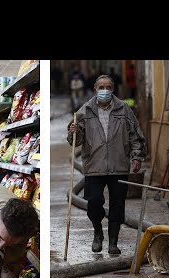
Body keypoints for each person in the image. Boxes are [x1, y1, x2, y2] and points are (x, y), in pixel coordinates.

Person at [67, 74, 147, 255]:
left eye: (108, 87)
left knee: (117, 206)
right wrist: (74, 132)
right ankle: (97, 232)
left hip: (118, 165)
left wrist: (137, 157)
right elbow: (74, 142)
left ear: (113, 89)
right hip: (94, 166)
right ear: (95, 89)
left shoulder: (124, 109)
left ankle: (113, 242)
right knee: (94, 203)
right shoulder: (84, 111)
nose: (105, 91)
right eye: (101, 87)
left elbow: (136, 135)